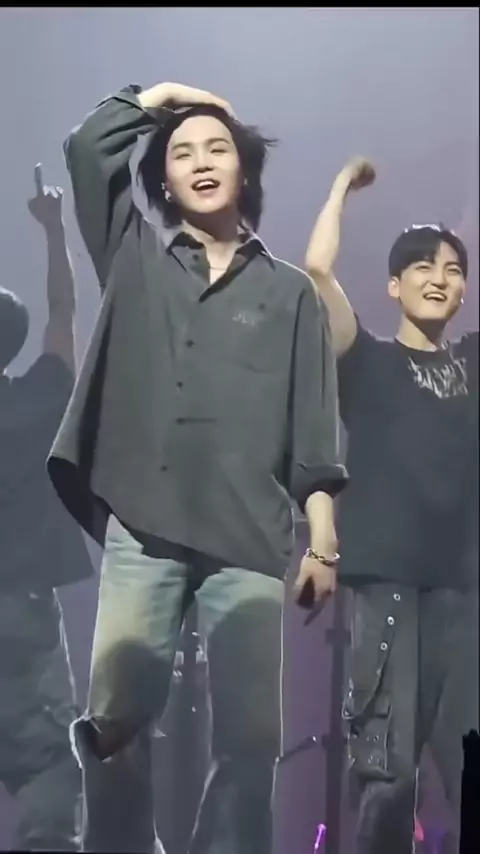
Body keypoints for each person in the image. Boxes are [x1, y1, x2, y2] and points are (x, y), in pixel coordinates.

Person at [46, 81, 347, 854]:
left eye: (218, 148)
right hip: (143, 522)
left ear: (244, 171)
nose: (202, 162)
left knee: (251, 741)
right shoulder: (135, 256)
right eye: (182, 153)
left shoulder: (290, 294)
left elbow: (314, 429)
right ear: (164, 180)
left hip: (247, 536)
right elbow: (87, 150)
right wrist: (167, 100)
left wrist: (321, 544)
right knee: (114, 720)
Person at [304, 157, 478, 854]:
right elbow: (317, 271)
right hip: (390, 590)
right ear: (393, 285)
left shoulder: (474, 363)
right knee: (389, 775)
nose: (440, 278)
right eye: (423, 266)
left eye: (454, 269)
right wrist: (341, 188)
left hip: (465, 593)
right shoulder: (366, 360)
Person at [0, 165, 93, 850]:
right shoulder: (36, 402)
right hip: (21, 611)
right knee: (52, 768)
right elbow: (64, 316)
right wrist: (56, 230)